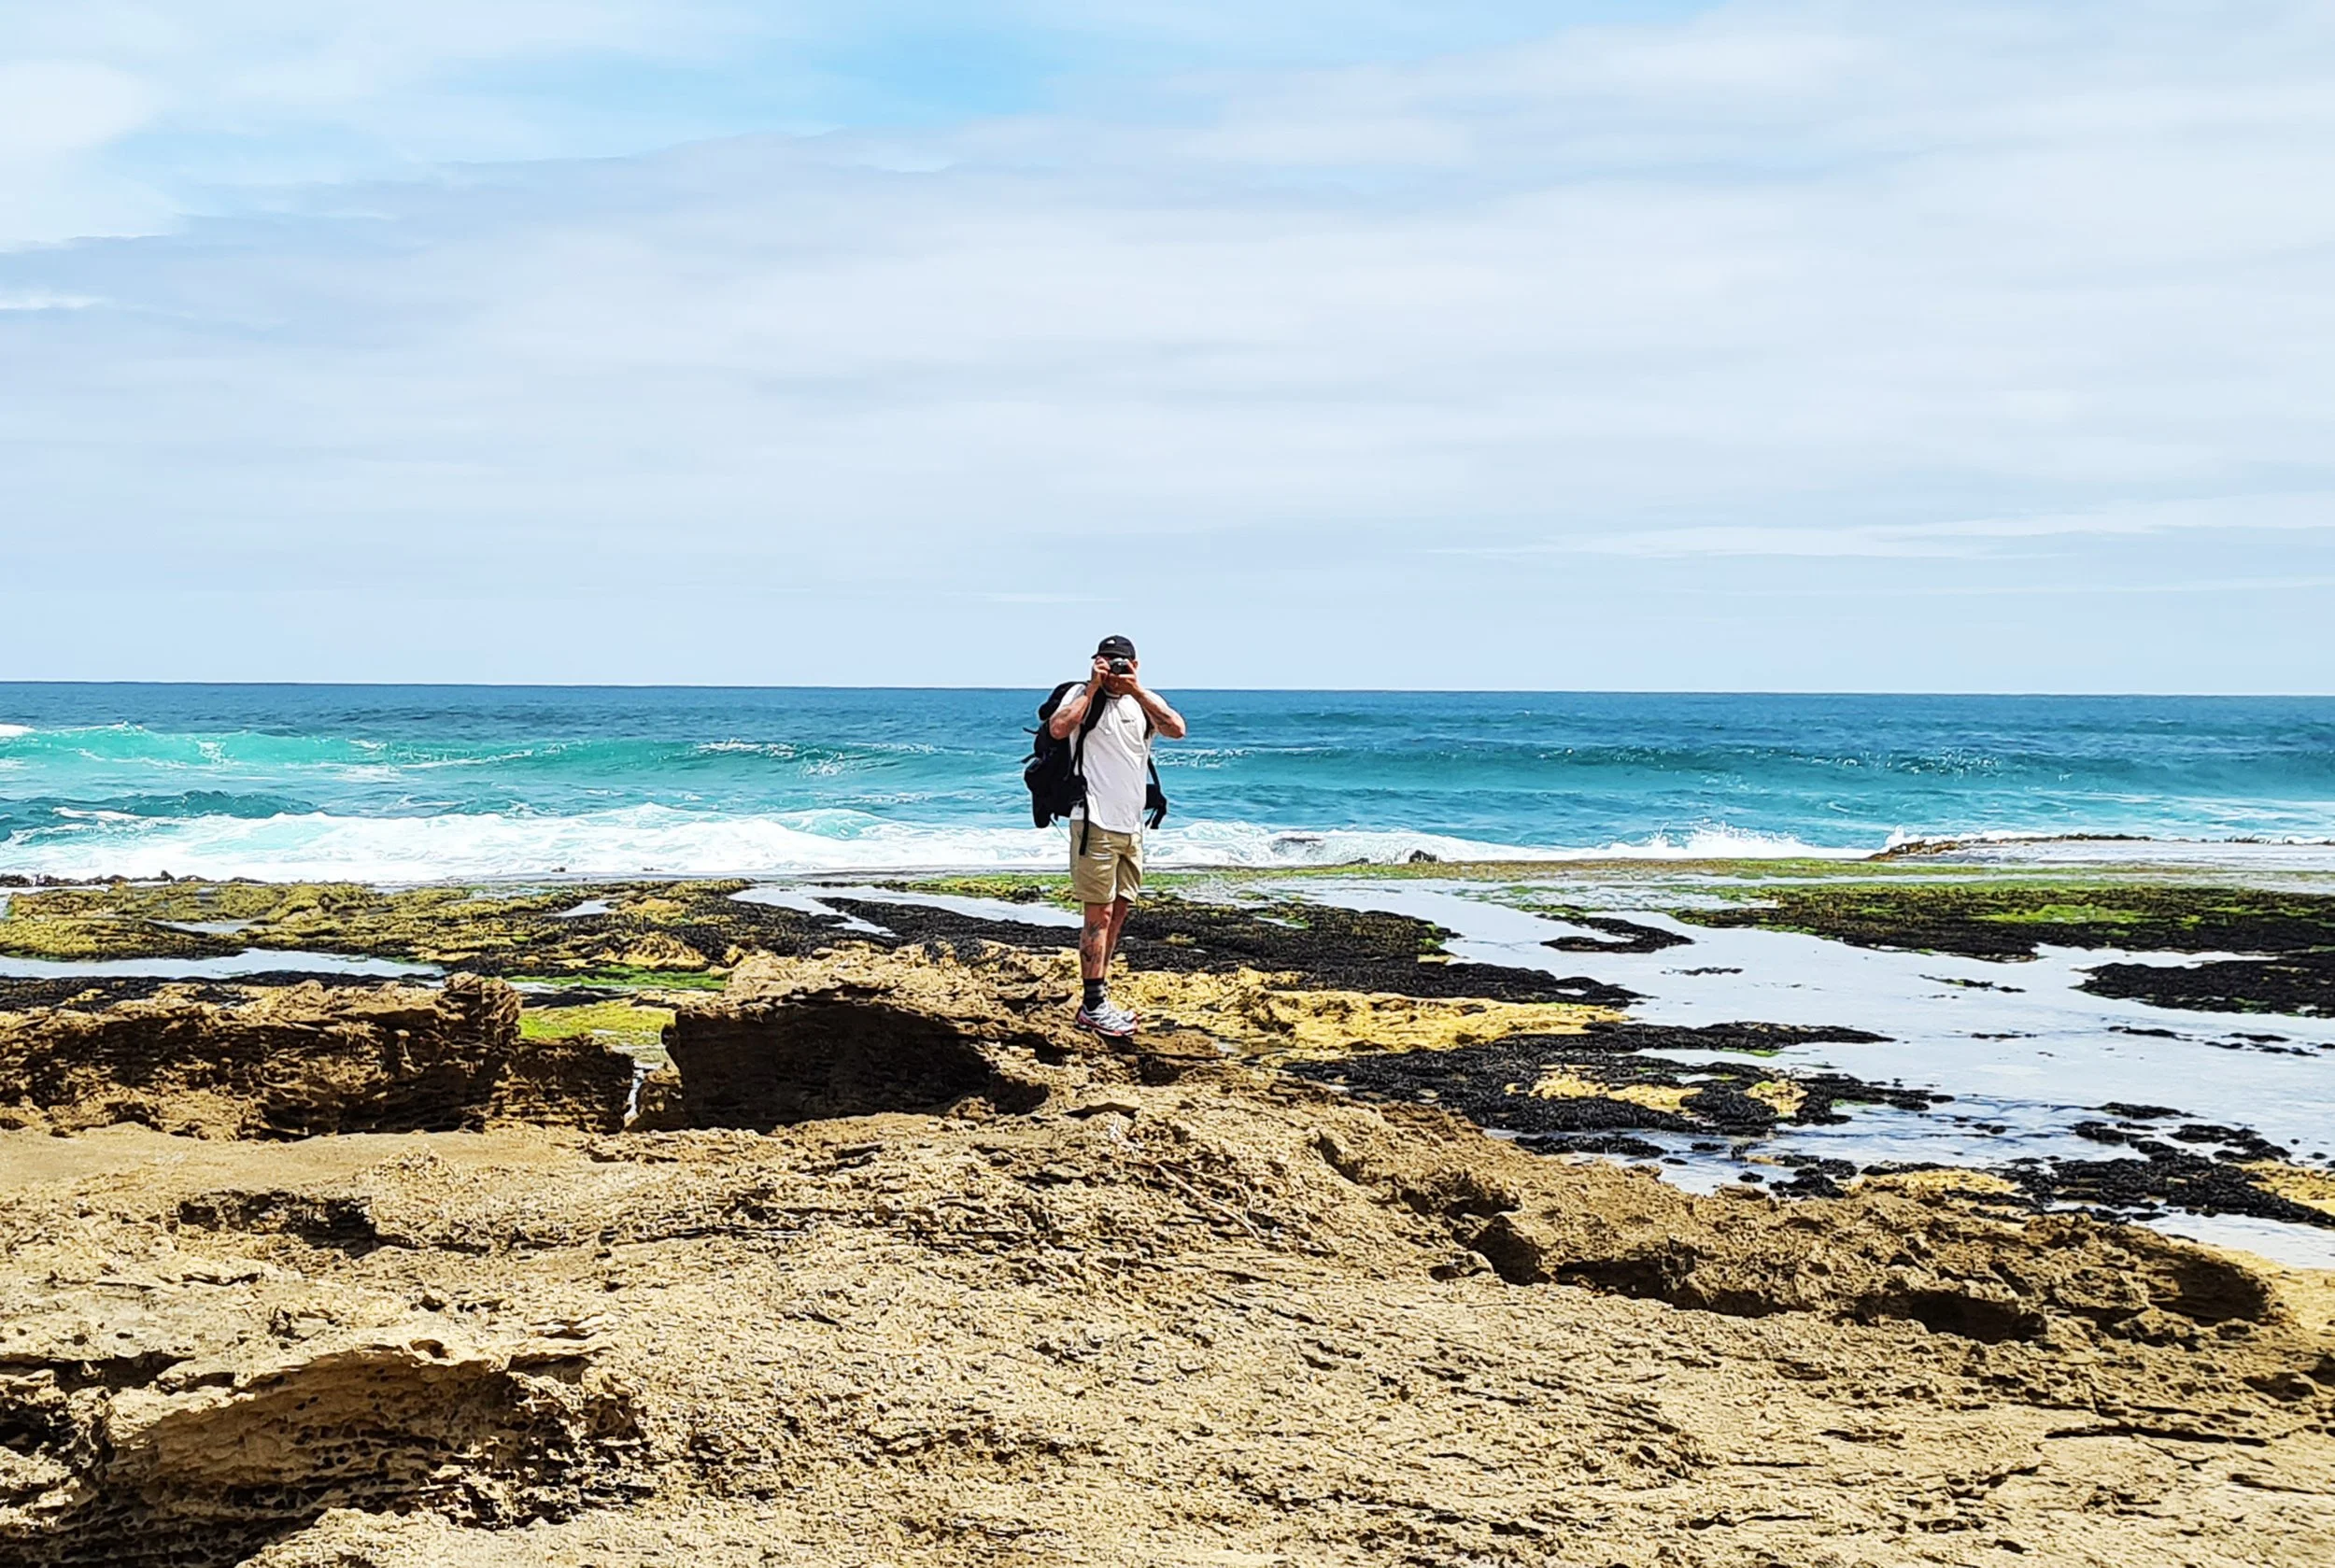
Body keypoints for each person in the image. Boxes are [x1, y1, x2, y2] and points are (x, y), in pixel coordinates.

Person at [1047, 634, 1186, 1038]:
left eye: (1121, 663)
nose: (1114, 671)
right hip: (1093, 821)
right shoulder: (1079, 694)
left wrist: (1137, 690)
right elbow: (1058, 729)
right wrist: (1092, 687)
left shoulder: (1141, 700)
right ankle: (1091, 1005)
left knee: (1120, 911)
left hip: (1131, 825)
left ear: (1135, 665)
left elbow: (1177, 729)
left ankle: (1100, 997)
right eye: (1106, 662)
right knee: (1099, 913)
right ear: (1095, 662)